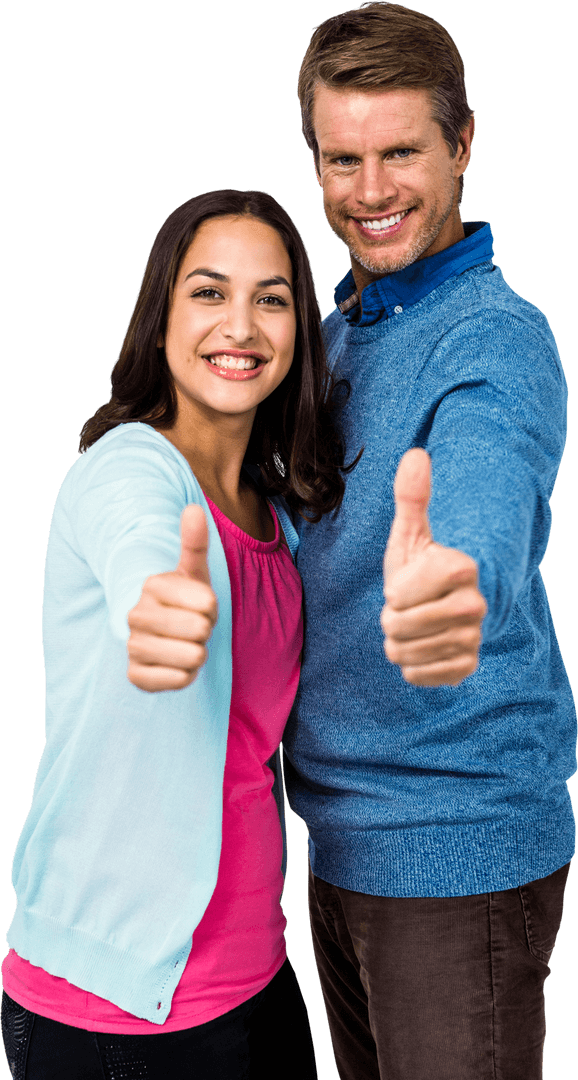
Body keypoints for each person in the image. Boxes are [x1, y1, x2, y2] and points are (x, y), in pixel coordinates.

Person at [0, 187, 360, 1079]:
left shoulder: (275, 514)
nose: (239, 325)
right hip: (116, 1010)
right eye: (208, 292)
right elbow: (145, 559)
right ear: (160, 316)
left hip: (259, 983)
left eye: (270, 298)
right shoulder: (126, 467)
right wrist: (156, 607)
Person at [281, 4, 577, 1080]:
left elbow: (480, 497)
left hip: (454, 857)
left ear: (460, 144)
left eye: (400, 151)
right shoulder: (334, 333)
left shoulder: (493, 339)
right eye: (342, 159)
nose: (370, 193)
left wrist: (455, 583)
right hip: (341, 840)